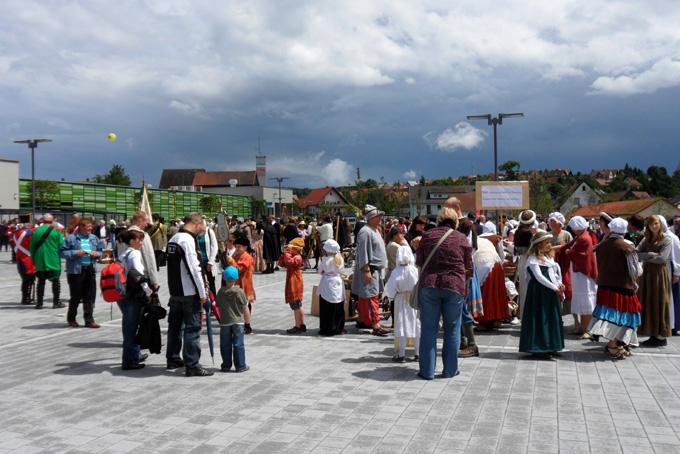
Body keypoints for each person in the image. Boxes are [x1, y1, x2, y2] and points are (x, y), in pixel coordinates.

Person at [416, 207, 473, 379]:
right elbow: (469, 268)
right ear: (455, 221)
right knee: (452, 329)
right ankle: (450, 370)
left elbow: (419, 263)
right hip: (454, 285)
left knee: (428, 329)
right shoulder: (461, 238)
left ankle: (427, 371)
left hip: (429, 285)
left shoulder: (427, 236)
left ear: (439, 220)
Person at [586, 218, 642, 359]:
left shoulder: (602, 245)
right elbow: (636, 271)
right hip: (622, 286)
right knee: (622, 317)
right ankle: (612, 345)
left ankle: (617, 344)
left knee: (611, 315)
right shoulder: (627, 247)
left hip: (605, 286)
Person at [165, 212, 213, 376]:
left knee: (175, 327)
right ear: (197, 223)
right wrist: (202, 292)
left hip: (175, 291)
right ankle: (192, 365)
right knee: (192, 329)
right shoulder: (187, 240)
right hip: (189, 292)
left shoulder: (174, 239)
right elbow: (194, 268)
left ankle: (173, 358)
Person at [519, 232, 565, 359]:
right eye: (547, 243)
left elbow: (553, 274)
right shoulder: (532, 259)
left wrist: (560, 284)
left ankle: (552, 346)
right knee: (539, 318)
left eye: (550, 242)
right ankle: (538, 347)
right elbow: (539, 277)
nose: (550, 245)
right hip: (538, 293)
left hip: (550, 292)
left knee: (551, 318)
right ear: (539, 245)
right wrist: (555, 287)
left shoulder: (548, 258)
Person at [351, 205, 390, 336]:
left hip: (375, 270)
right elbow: (363, 253)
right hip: (370, 270)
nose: (381, 218)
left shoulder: (374, 230)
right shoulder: (365, 232)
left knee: (368, 296)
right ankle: (375, 325)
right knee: (370, 297)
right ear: (371, 217)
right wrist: (367, 270)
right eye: (379, 216)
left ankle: (361, 320)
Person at [116, 229, 153, 370]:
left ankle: (134, 355)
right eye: (140, 240)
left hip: (122, 295)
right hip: (132, 296)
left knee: (128, 326)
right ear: (132, 241)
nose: (142, 243)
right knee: (132, 328)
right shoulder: (135, 254)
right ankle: (128, 361)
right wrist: (147, 291)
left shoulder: (123, 254)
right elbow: (139, 275)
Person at [59, 218, 103, 328]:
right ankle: (71, 318)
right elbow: (61, 252)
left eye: (91, 226)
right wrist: (76, 253)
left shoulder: (94, 238)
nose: (90, 228)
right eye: (88, 226)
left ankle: (89, 320)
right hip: (76, 271)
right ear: (81, 227)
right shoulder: (71, 238)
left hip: (90, 270)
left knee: (89, 296)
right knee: (76, 296)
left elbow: (101, 252)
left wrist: (97, 254)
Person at [637, 215, 673, 347]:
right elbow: (636, 253)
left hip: (659, 274)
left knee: (660, 301)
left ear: (660, 225)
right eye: (651, 224)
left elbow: (662, 259)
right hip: (648, 273)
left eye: (656, 223)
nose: (654, 226)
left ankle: (660, 335)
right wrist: (651, 255)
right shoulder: (646, 239)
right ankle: (652, 332)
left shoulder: (666, 239)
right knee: (648, 301)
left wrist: (646, 257)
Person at [561, 216, 598, 336]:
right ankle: (582, 327)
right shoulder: (581, 236)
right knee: (582, 302)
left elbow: (574, 252)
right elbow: (567, 246)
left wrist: (569, 251)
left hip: (584, 275)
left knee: (587, 301)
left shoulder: (584, 238)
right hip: (579, 274)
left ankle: (587, 328)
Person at [385, 245, 420, 363]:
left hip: (401, 300)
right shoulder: (415, 270)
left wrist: (391, 296)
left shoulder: (396, 272)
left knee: (402, 326)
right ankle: (417, 353)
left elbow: (391, 288)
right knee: (415, 325)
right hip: (414, 299)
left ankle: (402, 354)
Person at [216, 267, 249, 372]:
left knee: (225, 344)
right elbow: (245, 307)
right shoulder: (239, 292)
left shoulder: (221, 292)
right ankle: (240, 366)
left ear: (224, 278)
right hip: (238, 322)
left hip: (225, 322)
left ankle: (226, 365)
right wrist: (247, 323)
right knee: (238, 344)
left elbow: (218, 306)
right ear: (237, 278)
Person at [30, 214, 64, 310]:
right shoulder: (57, 231)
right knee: (55, 281)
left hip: (40, 260)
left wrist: (33, 259)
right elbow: (60, 246)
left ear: (42, 221)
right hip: (53, 260)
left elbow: (32, 247)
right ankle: (56, 302)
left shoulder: (35, 231)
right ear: (52, 221)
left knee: (40, 282)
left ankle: (39, 303)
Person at [118, 211, 159, 292]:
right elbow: (149, 258)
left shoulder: (123, 235)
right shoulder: (142, 235)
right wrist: (154, 280)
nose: (146, 225)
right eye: (146, 221)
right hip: (141, 279)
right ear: (140, 221)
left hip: (124, 279)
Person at [225, 237, 256, 334]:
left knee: (245, 304)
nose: (237, 248)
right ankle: (241, 323)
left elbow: (239, 269)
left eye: (239, 247)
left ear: (245, 248)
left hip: (244, 284)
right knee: (239, 305)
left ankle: (247, 325)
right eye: (236, 246)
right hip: (239, 284)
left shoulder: (246, 257)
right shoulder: (238, 255)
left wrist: (231, 261)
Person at [317, 239, 346, 336]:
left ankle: (327, 328)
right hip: (337, 281)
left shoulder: (327, 259)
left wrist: (325, 272)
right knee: (338, 305)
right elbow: (342, 270)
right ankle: (339, 327)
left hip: (328, 282)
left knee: (327, 305)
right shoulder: (340, 259)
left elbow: (320, 270)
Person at [548, 212, 573, 318]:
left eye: (554, 221)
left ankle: (569, 313)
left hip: (564, 265)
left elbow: (571, 248)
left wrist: (557, 249)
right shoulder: (548, 235)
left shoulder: (566, 234)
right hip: (551, 264)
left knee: (566, 286)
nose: (552, 223)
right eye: (551, 221)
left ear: (559, 223)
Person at [280, 237, 306, 333]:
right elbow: (282, 263)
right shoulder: (294, 256)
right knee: (298, 304)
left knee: (296, 304)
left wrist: (287, 253)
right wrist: (285, 254)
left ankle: (298, 325)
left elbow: (289, 263)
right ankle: (302, 324)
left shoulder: (298, 257)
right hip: (292, 280)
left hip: (295, 281)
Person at [14, 220, 36, 305]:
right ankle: (26, 298)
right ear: (29, 224)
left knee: (25, 280)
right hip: (28, 260)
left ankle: (25, 297)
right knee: (29, 279)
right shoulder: (28, 234)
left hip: (20, 258)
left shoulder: (17, 233)